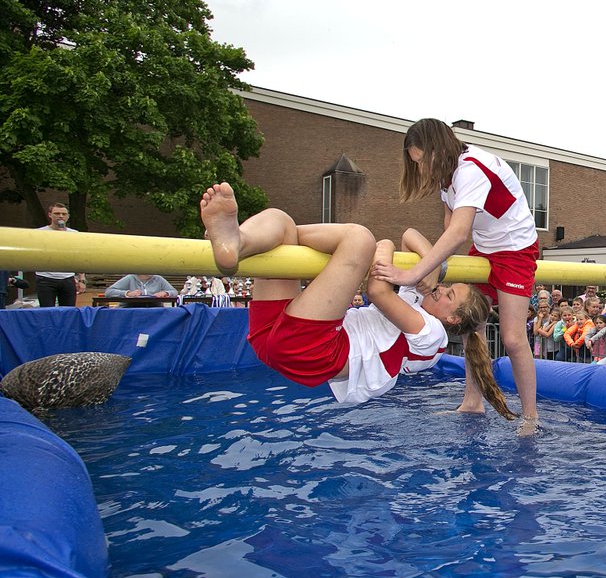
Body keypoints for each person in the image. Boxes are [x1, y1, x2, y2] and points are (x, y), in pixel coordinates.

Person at [198, 182, 514, 417]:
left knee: (360, 238)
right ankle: (239, 242)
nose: (440, 290)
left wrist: (393, 254)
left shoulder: (432, 335)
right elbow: (407, 234)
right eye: (447, 286)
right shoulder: (413, 296)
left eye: (448, 295)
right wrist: (432, 264)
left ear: (453, 319)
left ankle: (270, 238)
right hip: (279, 340)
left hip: (320, 351)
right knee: (279, 220)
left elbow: (376, 290)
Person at [375, 119, 539, 421]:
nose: (421, 169)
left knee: (513, 338)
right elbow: (449, 227)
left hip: (515, 249)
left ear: (437, 150)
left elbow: (459, 232)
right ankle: (472, 400)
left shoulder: (472, 168)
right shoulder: (447, 177)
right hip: (486, 249)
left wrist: (411, 275)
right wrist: (433, 267)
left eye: (421, 161)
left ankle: (530, 417)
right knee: (469, 323)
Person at [35, 202, 85, 307]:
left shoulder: (75, 234)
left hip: (67, 278)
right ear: (50, 215)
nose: (61, 216)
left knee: (68, 312)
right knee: (47, 311)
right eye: (57, 213)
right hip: (45, 278)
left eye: (63, 214)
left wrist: (82, 280)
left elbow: (80, 257)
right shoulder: (39, 233)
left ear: (68, 216)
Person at [104, 274, 179, 306]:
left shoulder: (158, 279)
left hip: (155, 309)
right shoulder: (130, 278)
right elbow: (109, 292)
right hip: (130, 309)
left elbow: (174, 292)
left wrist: (166, 293)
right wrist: (128, 293)